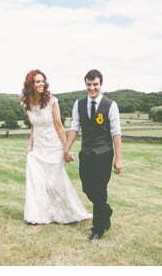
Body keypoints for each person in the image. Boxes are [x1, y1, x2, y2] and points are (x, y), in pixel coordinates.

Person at [21, 70, 91, 226]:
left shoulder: (52, 101)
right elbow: (34, 127)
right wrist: (29, 146)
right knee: (37, 182)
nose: (40, 84)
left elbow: (59, 126)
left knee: (55, 183)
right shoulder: (26, 104)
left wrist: (66, 149)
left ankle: (69, 213)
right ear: (30, 84)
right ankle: (39, 217)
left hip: (53, 147)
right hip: (38, 149)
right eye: (37, 81)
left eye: (42, 81)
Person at [63, 69, 124, 241]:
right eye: (89, 84)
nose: (92, 88)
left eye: (95, 84)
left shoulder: (111, 105)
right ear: (86, 85)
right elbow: (75, 128)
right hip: (86, 154)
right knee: (87, 188)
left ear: (101, 84)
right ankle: (106, 210)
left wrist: (119, 159)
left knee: (99, 190)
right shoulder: (79, 104)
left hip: (104, 154)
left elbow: (116, 133)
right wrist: (66, 149)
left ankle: (98, 228)